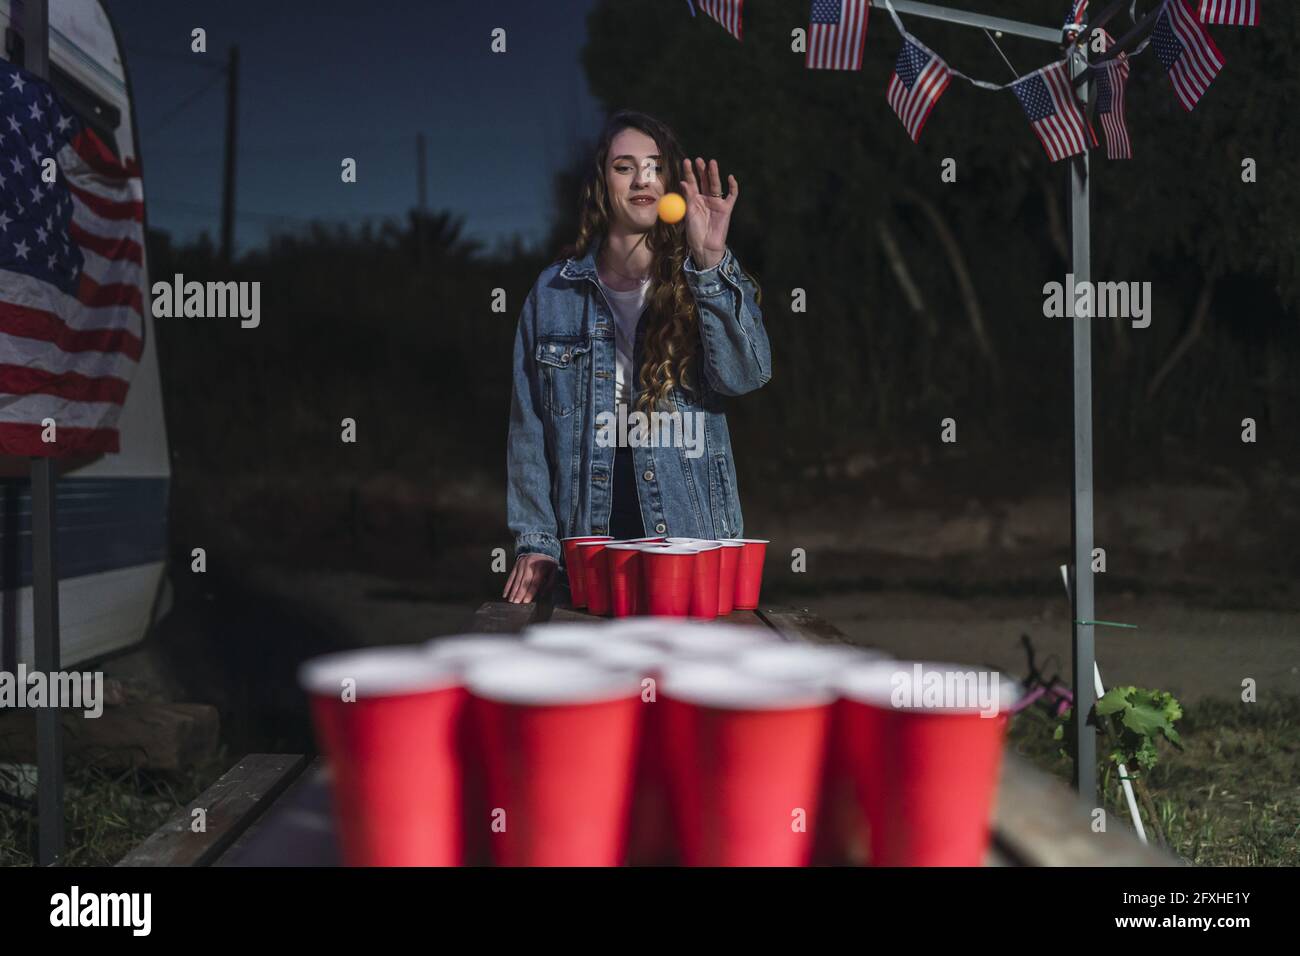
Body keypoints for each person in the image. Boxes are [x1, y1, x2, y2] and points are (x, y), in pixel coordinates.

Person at [503, 109, 770, 604]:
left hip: (693, 546)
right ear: (601, 184)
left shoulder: (699, 281)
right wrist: (536, 544)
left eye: (655, 166)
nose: (642, 178)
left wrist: (710, 263)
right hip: (589, 548)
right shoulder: (552, 293)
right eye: (625, 166)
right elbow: (529, 430)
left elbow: (746, 375)